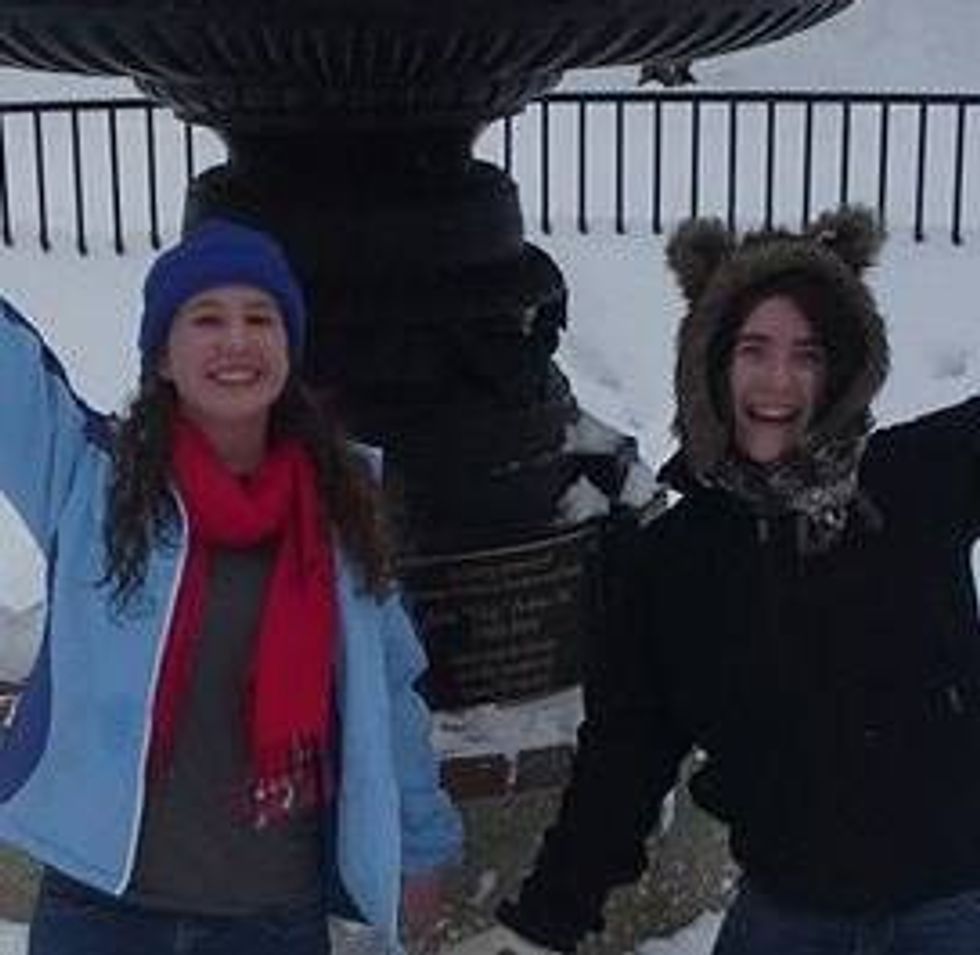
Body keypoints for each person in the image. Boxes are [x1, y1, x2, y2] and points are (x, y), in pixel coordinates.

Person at [450, 205, 980, 954]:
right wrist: (544, 921)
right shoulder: (673, 563)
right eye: (753, 349)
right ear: (712, 365)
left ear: (843, 370)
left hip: (952, 911)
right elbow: (624, 758)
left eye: (808, 354)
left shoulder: (915, 481)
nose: (778, 380)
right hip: (790, 916)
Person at [0, 218, 462, 954]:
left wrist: (421, 843)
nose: (237, 340)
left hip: (272, 920)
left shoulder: (341, 510)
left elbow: (389, 693)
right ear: (163, 356)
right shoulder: (91, 484)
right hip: (101, 913)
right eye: (207, 319)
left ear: (289, 348)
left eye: (260, 318)